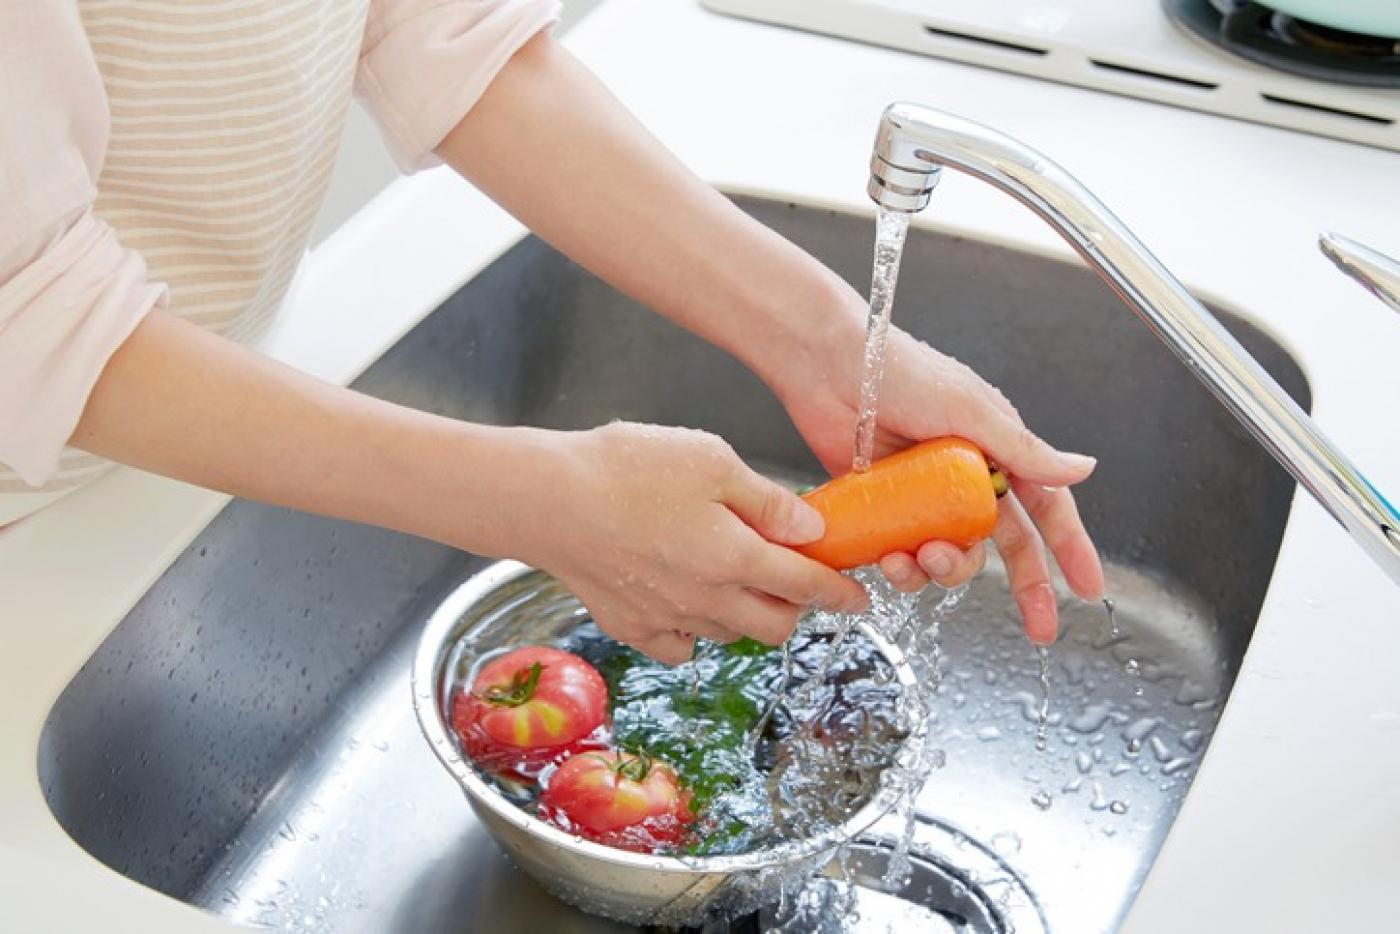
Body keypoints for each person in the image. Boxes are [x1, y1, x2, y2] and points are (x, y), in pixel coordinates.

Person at [0, 0, 1103, 664]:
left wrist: (829, 345)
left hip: (180, 431)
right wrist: (550, 503)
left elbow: (434, 30)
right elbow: (26, 311)